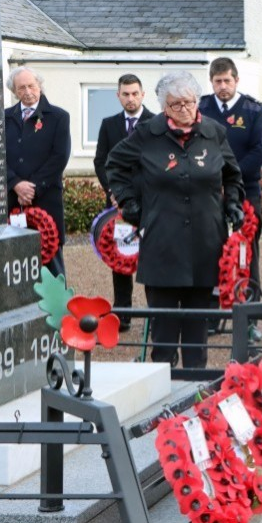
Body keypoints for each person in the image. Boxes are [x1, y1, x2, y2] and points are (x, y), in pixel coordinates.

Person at [107, 71, 245, 369]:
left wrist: (232, 204)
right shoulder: (147, 133)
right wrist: (132, 206)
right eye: (176, 104)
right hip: (162, 241)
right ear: (164, 106)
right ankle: (162, 399)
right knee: (164, 333)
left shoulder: (214, 132)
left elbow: (233, 175)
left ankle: (196, 395)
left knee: (197, 332)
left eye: (190, 102)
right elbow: (114, 165)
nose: (185, 109)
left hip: (205, 242)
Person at [198, 57, 262, 342]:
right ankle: (213, 316)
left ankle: (249, 318)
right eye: (217, 82)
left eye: (227, 81)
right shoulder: (201, 108)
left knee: (246, 254)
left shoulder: (254, 109)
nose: (223, 87)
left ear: (237, 80)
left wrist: (230, 178)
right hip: (208, 192)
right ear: (211, 82)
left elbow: (259, 150)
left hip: (245, 192)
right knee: (210, 251)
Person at [93, 73, 155, 332]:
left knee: (153, 258)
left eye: (134, 93)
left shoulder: (156, 122)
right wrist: (114, 191)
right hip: (118, 203)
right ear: (118, 96)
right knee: (120, 258)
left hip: (150, 201)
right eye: (125, 94)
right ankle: (123, 314)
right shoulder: (109, 124)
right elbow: (101, 160)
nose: (130, 98)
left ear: (143, 94)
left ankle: (157, 315)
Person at [5, 66, 71, 278]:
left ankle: (57, 311)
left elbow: (59, 157)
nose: (27, 91)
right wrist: (15, 183)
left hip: (45, 201)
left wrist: (31, 188)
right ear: (14, 91)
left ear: (40, 86)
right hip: (13, 201)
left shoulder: (59, 117)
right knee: (14, 265)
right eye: (21, 87)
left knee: (52, 268)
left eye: (31, 85)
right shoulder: (3, 118)